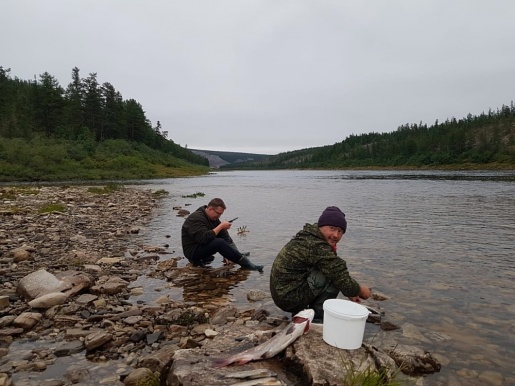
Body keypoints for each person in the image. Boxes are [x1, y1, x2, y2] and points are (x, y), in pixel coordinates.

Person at [269, 206, 371, 322]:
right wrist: (359, 290)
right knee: (332, 276)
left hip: (285, 293)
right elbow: (339, 274)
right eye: (332, 228)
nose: (336, 235)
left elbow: (334, 268)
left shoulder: (311, 237)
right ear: (321, 226)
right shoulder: (316, 245)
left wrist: (350, 292)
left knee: (331, 271)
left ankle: (302, 314)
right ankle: (317, 319)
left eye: (340, 231)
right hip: (288, 298)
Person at [181, 198, 263, 271]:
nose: (219, 216)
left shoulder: (213, 218)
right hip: (192, 251)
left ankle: (237, 255)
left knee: (224, 235)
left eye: (221, 214)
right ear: (210, 209)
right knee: (219, 242)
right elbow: (202, 239)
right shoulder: (196, 218)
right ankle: (247, 264)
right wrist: (220, 226)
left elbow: (225, 236)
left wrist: (227, 254)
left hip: (202, 249)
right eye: (218, 213)